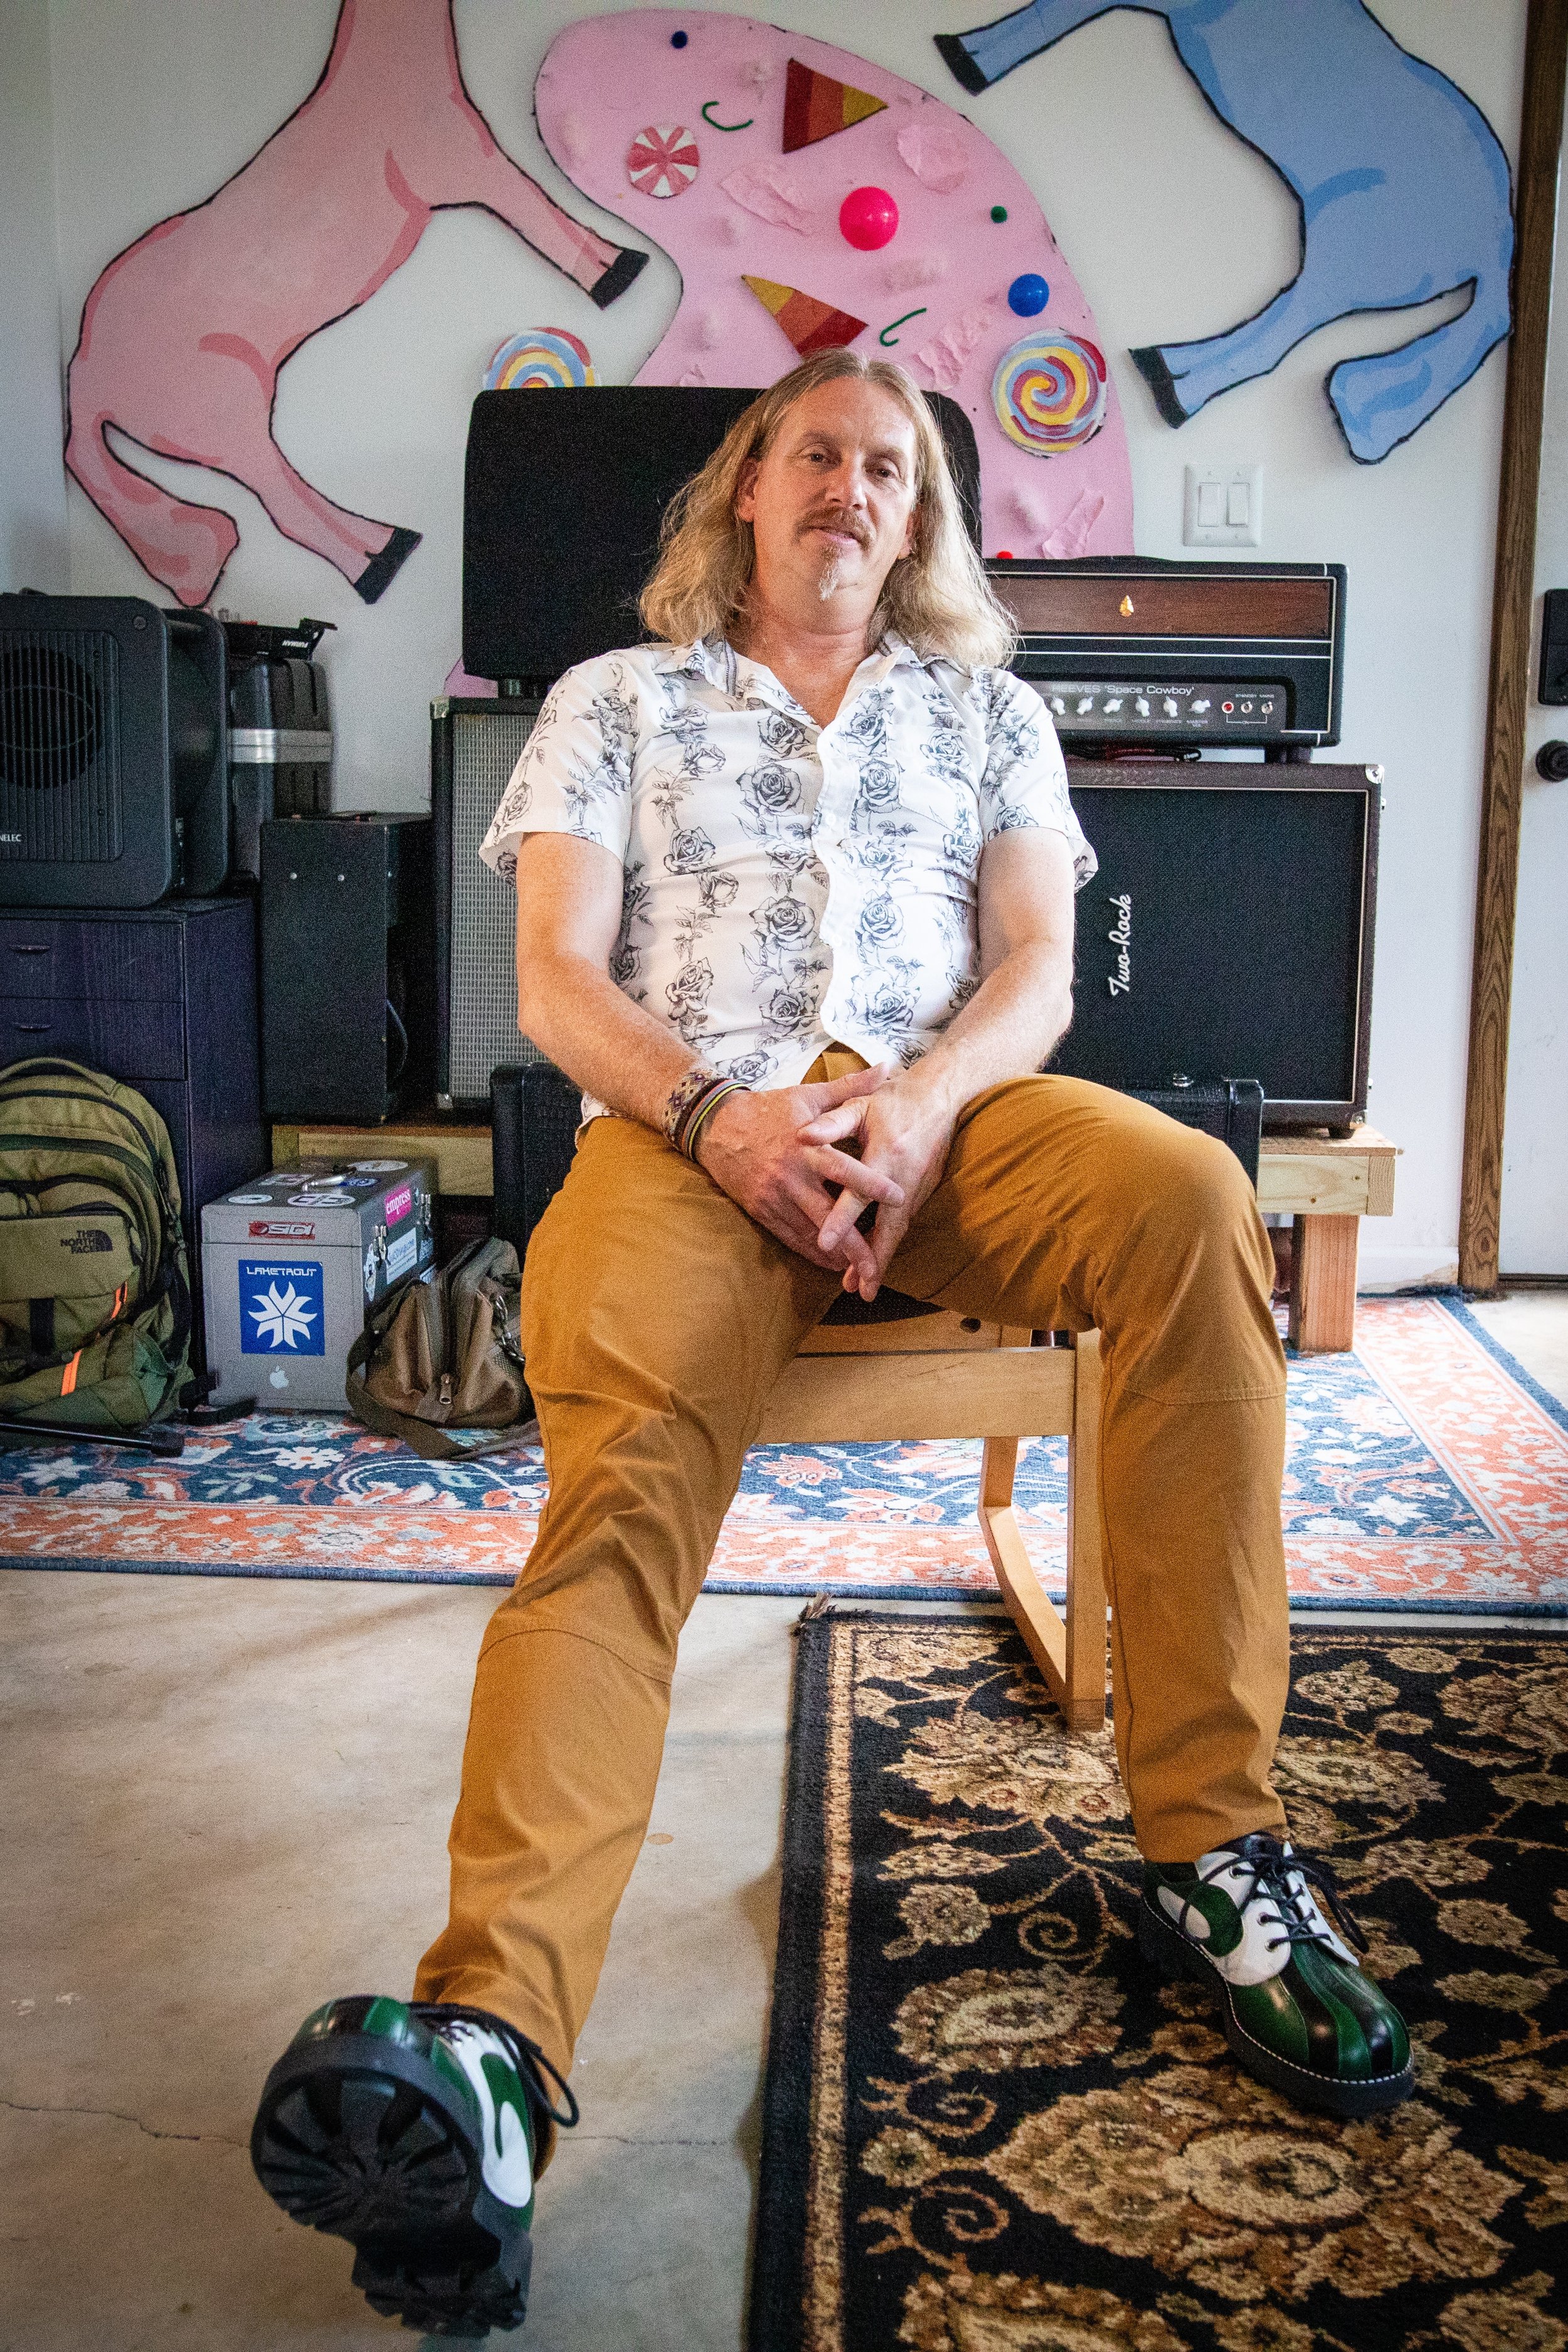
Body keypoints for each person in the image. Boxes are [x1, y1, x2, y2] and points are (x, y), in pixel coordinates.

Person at [250, 349, 1412, 2338]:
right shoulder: (612, 702)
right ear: (743, 490)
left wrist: (924, 1102)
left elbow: (1038, 963)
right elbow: (549, 975)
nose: (850, 488)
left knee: (1194, 1202)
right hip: (683, 1132)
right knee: (614, 1497)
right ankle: (492, 2052)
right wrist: (721, 1116)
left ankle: (1215, 1851)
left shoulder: (988, 710)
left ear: (920, 518)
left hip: (950, 1124)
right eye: (815, 455)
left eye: (890, 467)